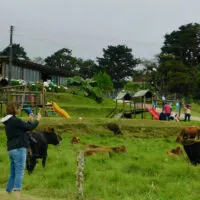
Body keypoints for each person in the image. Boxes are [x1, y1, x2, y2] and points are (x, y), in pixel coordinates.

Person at [1, 102, 41, 199]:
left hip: (11, 149)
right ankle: (17, 194)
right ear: (15, 109)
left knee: (13, 172)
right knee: (19, 171)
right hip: (19, 148)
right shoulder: (15, 120)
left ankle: (8, 191)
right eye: (18, 108)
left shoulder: (9, 121)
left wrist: (29, 121)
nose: (19, 110)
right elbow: (29, 128)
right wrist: (37, 120)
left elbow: (23, 128)